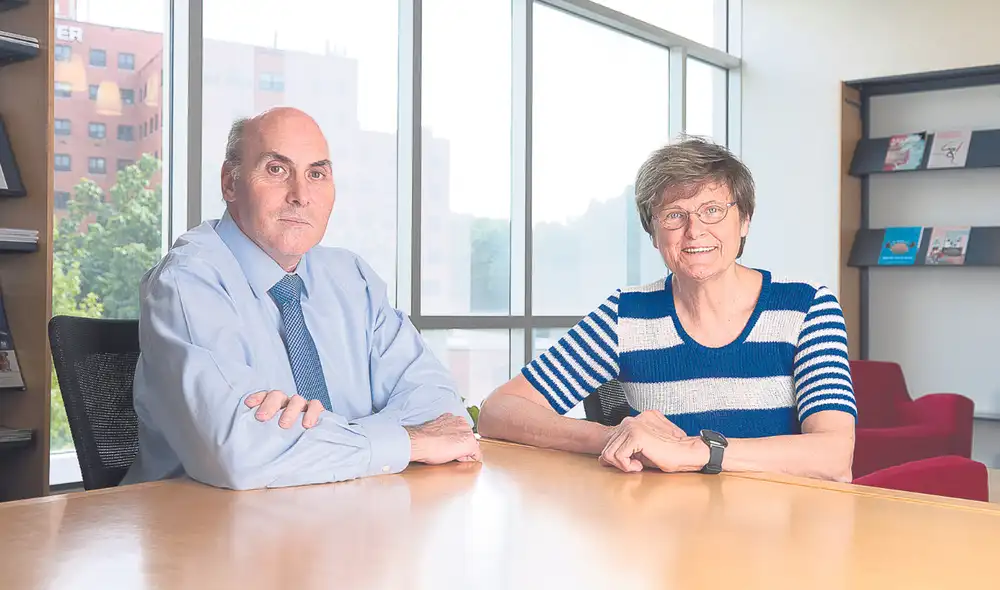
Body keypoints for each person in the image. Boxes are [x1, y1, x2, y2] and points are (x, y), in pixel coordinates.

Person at [121, 107, 480, 490]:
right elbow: (241, 455)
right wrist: (407, 439)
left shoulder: (352, 278)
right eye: (277, 170)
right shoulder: (187, 282)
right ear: (230, 183)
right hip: (204, 528)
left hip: (348, 516)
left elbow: (442, 408)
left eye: (316, 174)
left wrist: (314, 439)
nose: (300, 196)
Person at [477, 136, 857, 482]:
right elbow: (499, 411)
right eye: (674, 215)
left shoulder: (808, 307)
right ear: (654, 234)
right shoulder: (626, 316)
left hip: (784, 541)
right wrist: (614, 436)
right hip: (665, 537)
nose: (694, 230)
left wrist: (696, 451)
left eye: (712, 210)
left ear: (744, 221)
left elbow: (834, 456)